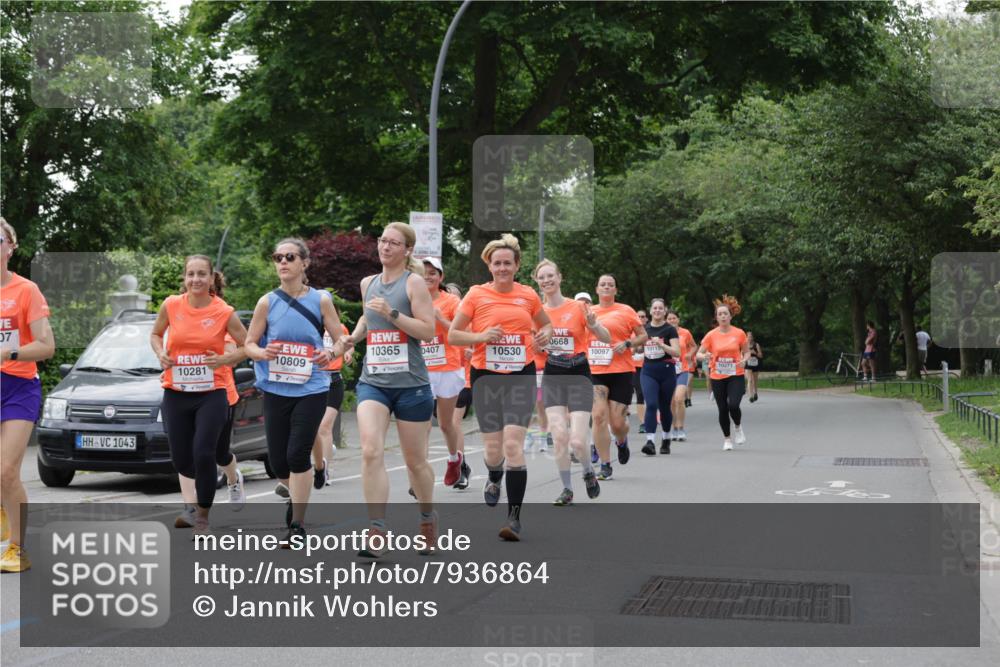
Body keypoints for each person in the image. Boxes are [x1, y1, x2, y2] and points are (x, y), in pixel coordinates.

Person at [449, 234, 552, 540]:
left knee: (512, 446)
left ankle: (514, 518)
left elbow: (545, 324)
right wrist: (481, 338)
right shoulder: (476, 295)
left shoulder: (528, 295)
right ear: (489, 266)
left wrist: (544, 334)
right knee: (494, 451)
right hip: (486, 375)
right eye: (497, 263)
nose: (503, 268)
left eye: (508, 263)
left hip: (521, 373)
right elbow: (454, 336)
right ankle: (494, 474)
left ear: (517, 266)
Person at [345, 222, 437, 558]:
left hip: (411, 385)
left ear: (407, 250)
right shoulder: (367, 283)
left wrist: (394, 313)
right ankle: (377, 529)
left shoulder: (413, 283)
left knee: (416, 463)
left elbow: (427, 331)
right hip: (374, 382)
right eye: (382, 241)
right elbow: (369, 321)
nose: (385, 247)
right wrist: (352, 338)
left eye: (393, 243)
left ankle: (427, 517)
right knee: (370, 451)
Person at [245, 238, 343, 545]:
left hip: (312, 387)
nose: (283, 262)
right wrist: (262, 353)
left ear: (304, 263)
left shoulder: (321, 299)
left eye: (290, 257)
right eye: (278, 257)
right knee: (278, 462)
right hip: (275, 388)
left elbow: (341, 339)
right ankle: (297, 493)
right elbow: (248, 343)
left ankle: (297, 524)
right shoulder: (267, 302)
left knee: (297, 452)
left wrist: (331, 353)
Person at [152, 256, 248, 536]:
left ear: (211, 278)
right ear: (184, 277)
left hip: (213, 392)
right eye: (191, 274)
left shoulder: (223, 311)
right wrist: (160, 353)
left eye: (202, 274)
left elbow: (248, 345)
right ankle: (199, 504)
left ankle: (202, 517)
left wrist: (225, 359)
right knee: (182, 460)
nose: (196, 279)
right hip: (176, 392)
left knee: (204, 452)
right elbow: (156, 334)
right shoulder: (171, 305)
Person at [0, 218, 55, 573]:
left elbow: (47, 346)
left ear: (10, 247)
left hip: (18, 386)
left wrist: (10, 354)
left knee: (5, 470)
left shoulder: (26, 291)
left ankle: (17, 549)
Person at [533, 259, 609, 505]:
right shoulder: (536, 313)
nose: (546, 281)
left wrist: (595, 325)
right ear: (537, 281)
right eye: (542, 277)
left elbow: (606, 338)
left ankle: (588, 471)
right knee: (559, 436)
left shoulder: (578, 307)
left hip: (578, 372)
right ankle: (567, 489)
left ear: (559, 277)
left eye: (550, 276)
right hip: (553, 373)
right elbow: (532, 346)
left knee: (577, 440)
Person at [587, 274, 647, 480]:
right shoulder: (588, 312)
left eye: (610, 285)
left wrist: (628, 344)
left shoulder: (626, 310)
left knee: (617, 423)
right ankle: (605, 464)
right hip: (595, 371)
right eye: (602, 284)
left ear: (615, 290)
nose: (606, 287)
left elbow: (643, 336)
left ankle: (621, 441)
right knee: (598, 416)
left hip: (621, 370)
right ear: (596, 289)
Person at [420, 257, 471, 490]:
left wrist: (441, 319)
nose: (428, 277)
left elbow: (462, 333)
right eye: (423, 273)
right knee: (421, 423)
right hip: (421, 368)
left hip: (449, 367)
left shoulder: (452, 301)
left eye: (433, 273)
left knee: (446, 424)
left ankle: (454, 459)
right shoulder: (413, 299)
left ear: (440, 277)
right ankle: (419, 473)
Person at [696, 295, 750, 451]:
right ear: (716, 317)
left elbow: (746, 353)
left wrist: (744, 360)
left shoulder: (739, 333)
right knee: (722, 408)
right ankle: (727, 439)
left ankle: (738, 428)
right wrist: (704, 356)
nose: (723, 316)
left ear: (730, 316)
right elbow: (699, 354)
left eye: (725, 313)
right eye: (720, 314)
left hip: (735, 374)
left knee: (733, 405)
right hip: (717, 376)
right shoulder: (711, 335)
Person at [310, 321, 352, 489]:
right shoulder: (309, 326)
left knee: (324, 427)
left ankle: (324, 471)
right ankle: (326, 451)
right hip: (314, 381)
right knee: (313, 428)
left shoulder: (339, 328)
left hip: (334, 381)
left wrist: (348, 353)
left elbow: (348, 344)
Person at [639, 299, 681, 456]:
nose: (657, 310)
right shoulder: (644, 329)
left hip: (666, 371)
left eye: (660, 308)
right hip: (648, 371)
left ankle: (666, 438)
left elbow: (677, 352)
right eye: (654, 308)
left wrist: (661, 345)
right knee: (650, 404)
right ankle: (650, 441)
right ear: (650, 311)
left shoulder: (670, 330)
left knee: (664, 407)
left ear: (665, 312)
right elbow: (637, 347)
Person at [666, 309, 696, 442]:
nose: (672, 321)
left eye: (674, 318)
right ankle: (674, 428)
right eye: (669, 319)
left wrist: (690, 354)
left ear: (678, 319)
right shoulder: (663, 333)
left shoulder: (685, 333)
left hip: (683, 369)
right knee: (671, 401)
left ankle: (681, 428)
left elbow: (694, 346)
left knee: (679, 399)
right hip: (668, 370)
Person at [633, 309, 648, 433]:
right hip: (635, 367)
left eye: (643, 316)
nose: (641, 318)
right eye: (638, 316)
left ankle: (653, 415)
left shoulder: (650, 332)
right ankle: (643, 423)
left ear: (646, 319)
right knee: (640, 393)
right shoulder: (630, 332)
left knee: (651, 394)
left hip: (649, 366)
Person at [745, 330, 763, 402]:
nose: (749, 338)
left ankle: (755, 393)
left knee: (755, 380)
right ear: (746, 337)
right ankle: (751, 396)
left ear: (752, 337)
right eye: (748, 336)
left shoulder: (756, 345)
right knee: (750, 380)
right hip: (748, 364)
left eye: (750, 336)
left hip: (755, 364)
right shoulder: (744, 345)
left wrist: (755, 353)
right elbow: (741, 354)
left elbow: (761, 355)